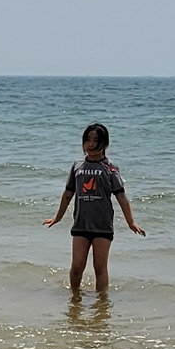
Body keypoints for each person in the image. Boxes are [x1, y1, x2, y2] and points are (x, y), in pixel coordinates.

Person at [43, 123, 144, 292]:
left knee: (99, 267)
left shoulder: (110, 168)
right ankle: (75, 298)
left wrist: (131, 222)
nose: (90, 144)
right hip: (81, 224)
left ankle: (102, 302)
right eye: (87, 140)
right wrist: (58, 217)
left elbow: (121, 196)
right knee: (77, 266)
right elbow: (68, 194)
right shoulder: (77, 166)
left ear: (105, 144)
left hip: (102, 225)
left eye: (96, 140)